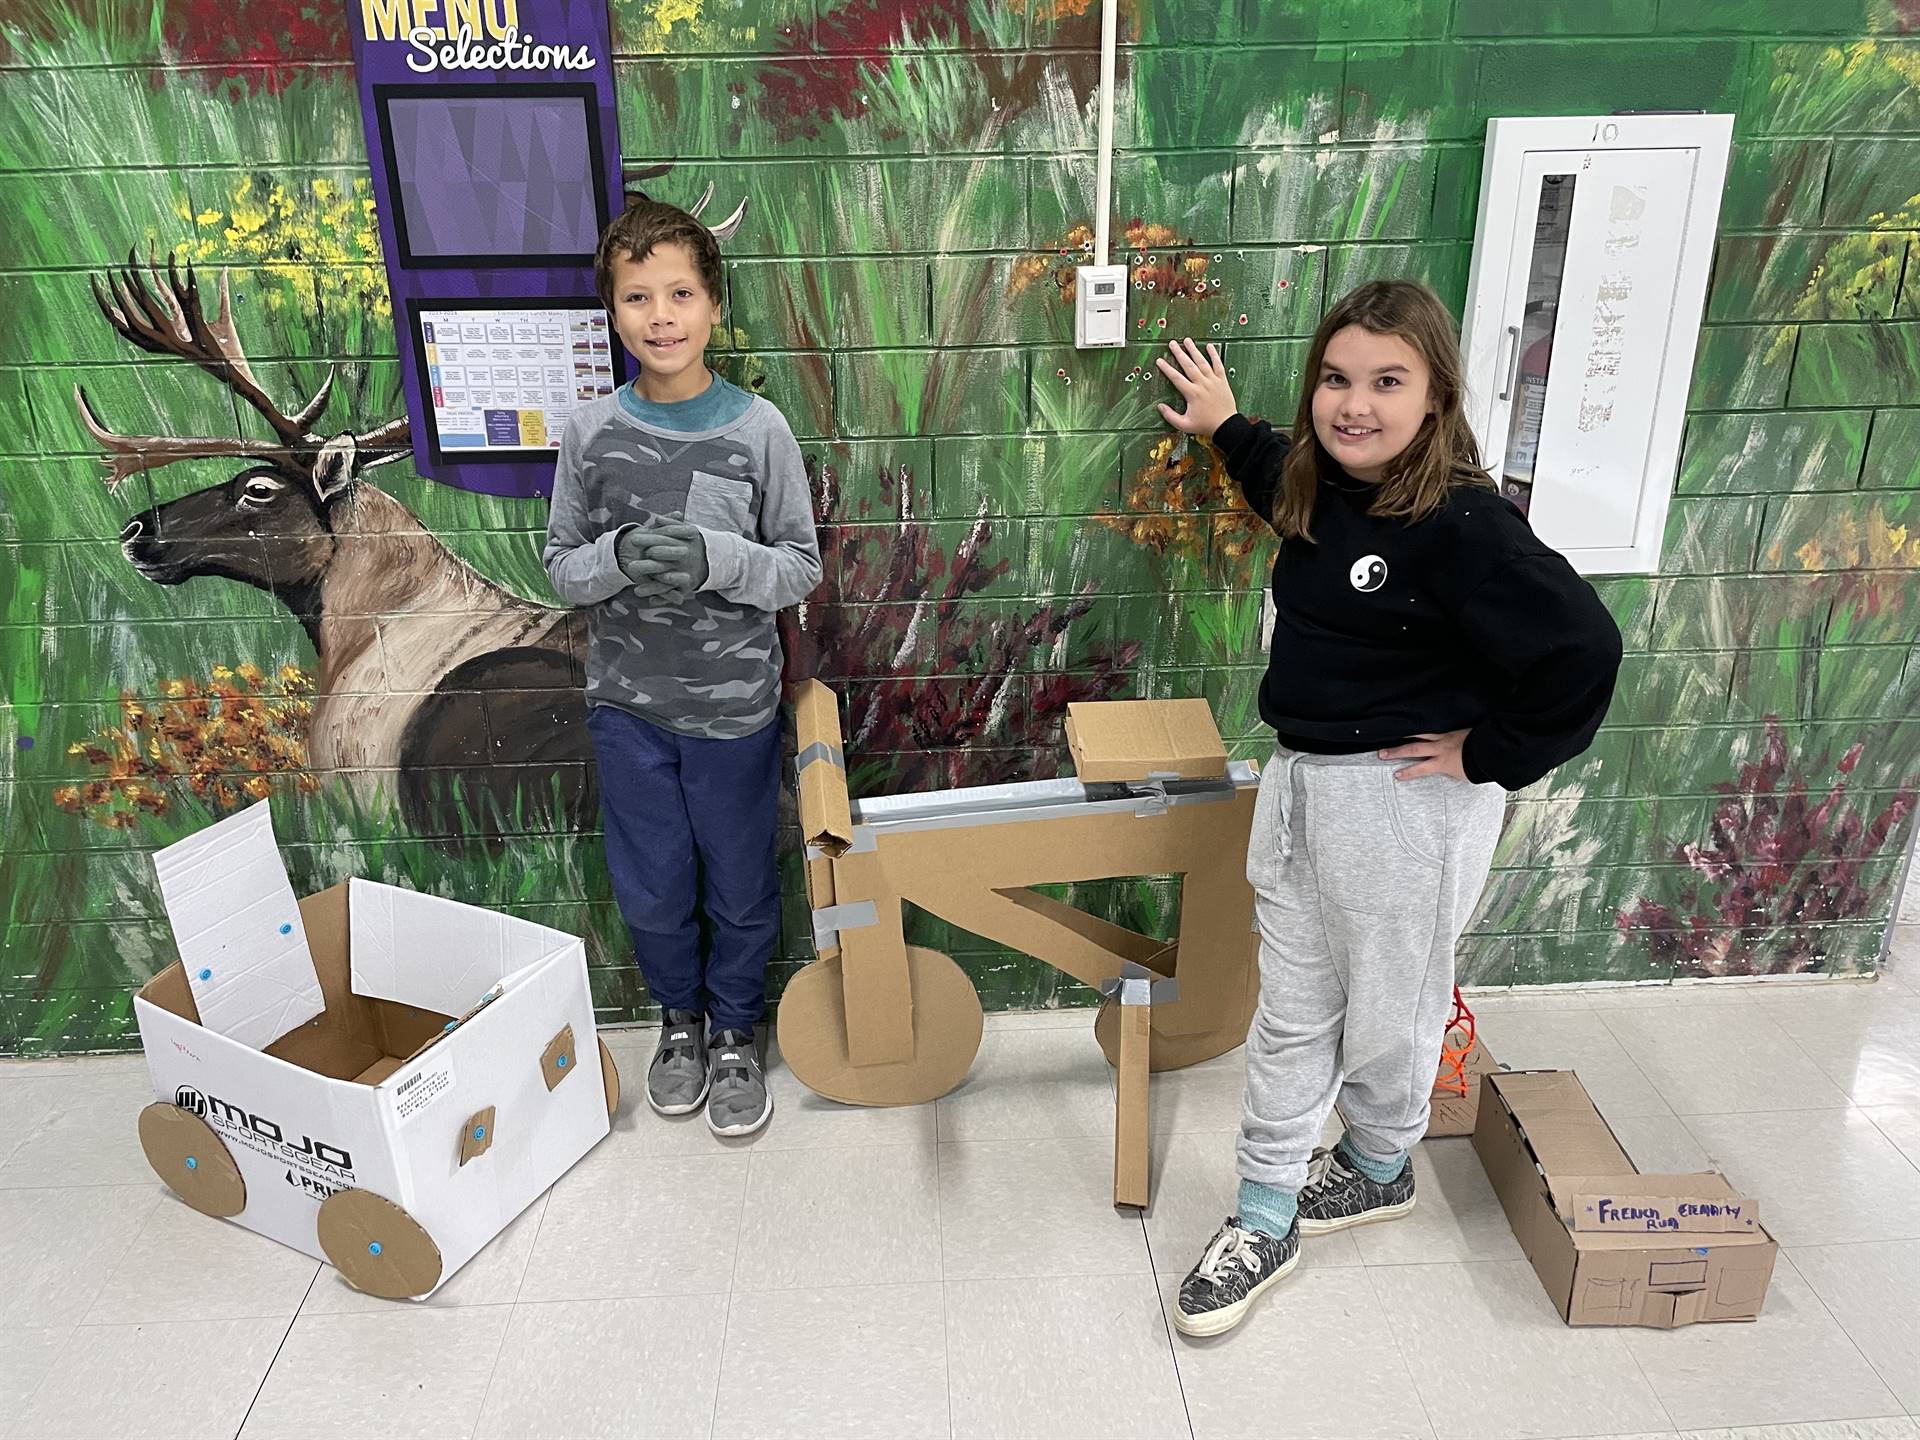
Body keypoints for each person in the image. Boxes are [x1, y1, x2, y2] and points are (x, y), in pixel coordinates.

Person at [1153, 280, 1622, 1336]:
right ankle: (1265, 1213)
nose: (1353, 404)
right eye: (1336, 378)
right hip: (1304, 789)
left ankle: (1376, 1162)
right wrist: (1228, 424)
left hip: (1407, 808)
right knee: (1291, 1015)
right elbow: (1283, 475)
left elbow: (1585, 650)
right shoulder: (1323, 486)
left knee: (1390, 1017)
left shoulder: (1463, 523)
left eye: (1386, 382)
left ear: (1437, 396)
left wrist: (1493, 753)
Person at [543, 198, 822, 1138]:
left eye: (679, 294)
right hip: (627, 706)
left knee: (740, 877)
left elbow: (799, 566)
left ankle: (738, 1029)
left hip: (734, 711)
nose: (660, 316)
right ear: (612, 313)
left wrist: (718, 562)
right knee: (653, 881)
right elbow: (559, 569)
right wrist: (617, 555)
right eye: (636, 297)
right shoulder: (587, 434)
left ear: (712, 305)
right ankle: (679, 1022)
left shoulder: (759, 431)